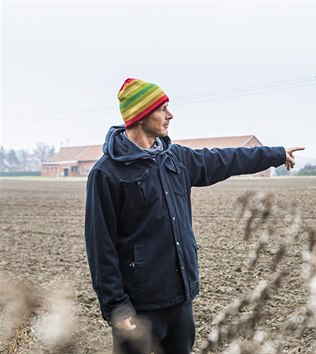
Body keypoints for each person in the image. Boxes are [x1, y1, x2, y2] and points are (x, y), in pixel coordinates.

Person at [84, 78, 304, 354]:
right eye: (162, 108)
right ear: (140, 116)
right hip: (139, 308)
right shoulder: (107, 173)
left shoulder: (175, 158)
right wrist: (116, 306)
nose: (170, 114)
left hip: (180, 299)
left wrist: (275, 154)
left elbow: (226, 160)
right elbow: (100, 245)